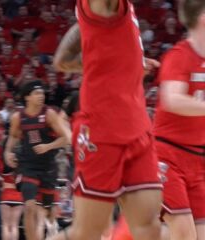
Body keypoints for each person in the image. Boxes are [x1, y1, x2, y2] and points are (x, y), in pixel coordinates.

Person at [50, 0, 163, 239]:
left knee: (149, 228)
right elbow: (62, 61)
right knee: (87, 233)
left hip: (137, 128)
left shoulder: (115, 11)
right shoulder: (108, 5)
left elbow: (61, 59)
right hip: (100, 132)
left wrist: (125, 65)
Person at [153, 1, 205, 239]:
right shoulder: (179, 55)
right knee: (185, 234)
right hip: (167, 156)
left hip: (197, 160)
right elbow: (173, 99)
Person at [4, 80, 69, 240]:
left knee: (48, 210)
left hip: (47, 166)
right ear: (27, 97)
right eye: (37, 93)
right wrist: (8, 152)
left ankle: (52, 226)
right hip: (28, 166)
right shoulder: (18, 117)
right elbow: (12, 137)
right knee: (29, 206)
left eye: (42, 93)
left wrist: (48, 146)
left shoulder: (49, 114)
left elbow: (66, 138)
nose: (41, 96)